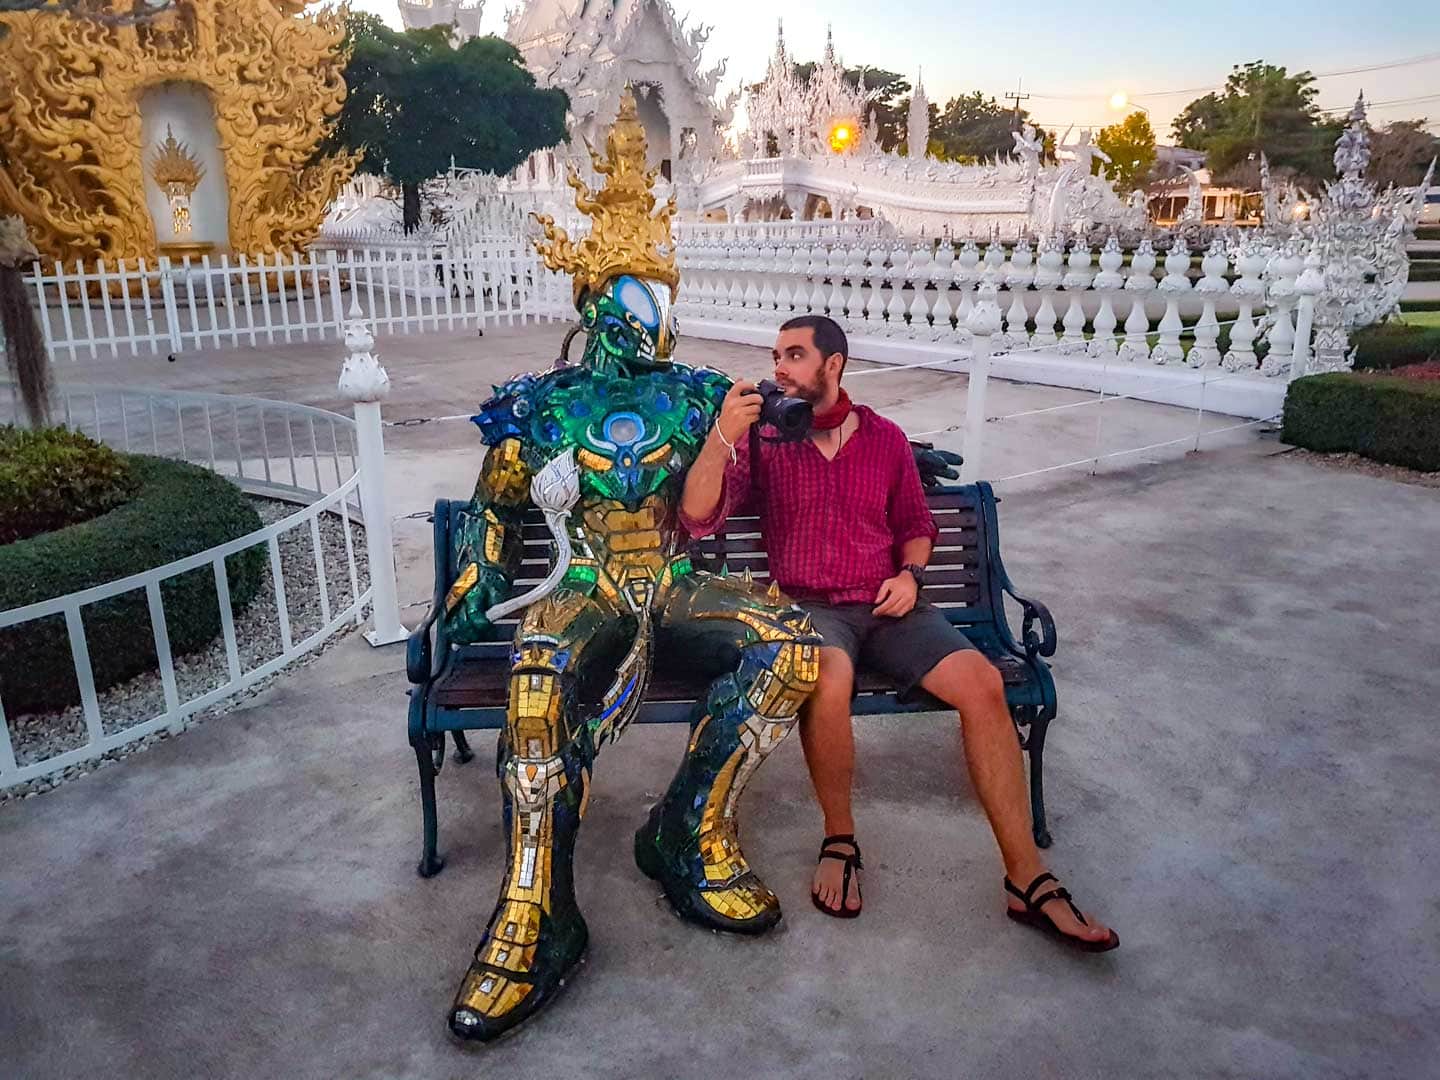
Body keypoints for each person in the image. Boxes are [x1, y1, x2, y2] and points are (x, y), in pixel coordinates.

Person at [679, 314, 1118, 952]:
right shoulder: (764, 443)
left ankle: (1027, 877)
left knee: (983, 682)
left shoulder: (884, 438)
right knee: (828, 679)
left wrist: (912, 575)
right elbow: (695, 513)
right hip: (812, 609)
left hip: (890, 605)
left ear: (834, 366)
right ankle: (840, 837)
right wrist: (724, 435)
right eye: (777, 355)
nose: (780, 368)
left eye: (795, 356)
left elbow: (916, 523)